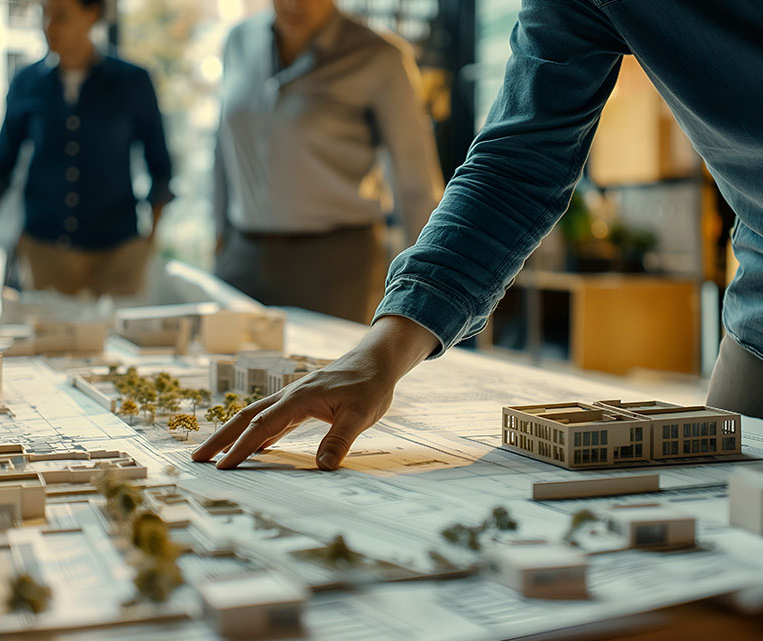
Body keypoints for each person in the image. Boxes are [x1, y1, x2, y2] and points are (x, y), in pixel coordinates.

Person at [193, 0, 763, 471]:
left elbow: (415, 183)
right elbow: (515, 168)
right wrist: (386, 349)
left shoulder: (375, 56)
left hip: (338, 252)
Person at [214, 0, 444, 324]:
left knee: (329, 371)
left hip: (335, 264)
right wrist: (219, 230)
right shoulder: (238, 40)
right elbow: (223, 142)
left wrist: (428, 286)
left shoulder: (380, 56)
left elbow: (415, 181)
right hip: (242, 257)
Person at [0, 0, 173, 296]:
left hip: (118, 255)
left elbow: (161, 169)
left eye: (61, 16)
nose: (48, 26)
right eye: (44, 14)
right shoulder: (26, 84)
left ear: (92, 15)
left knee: (117, 340)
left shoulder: (132, 83)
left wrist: (149, 242)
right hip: (45, 253)